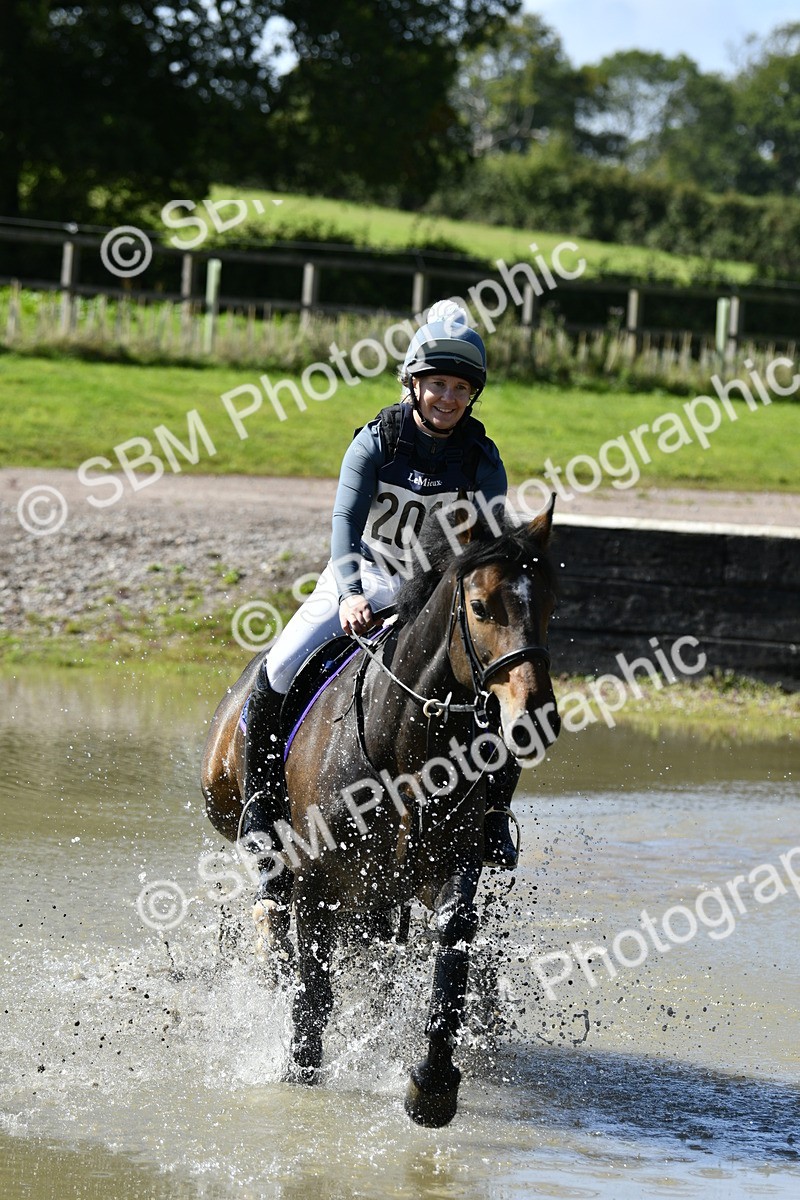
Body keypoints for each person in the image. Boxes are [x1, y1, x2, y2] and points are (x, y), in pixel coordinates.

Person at [241, 300, 522, 910]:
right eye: (437, 384)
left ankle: (493, 815)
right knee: (279, 669)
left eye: (460, 388)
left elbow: (491, 545)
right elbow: (344, 522)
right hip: (363, 573)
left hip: (436, 592)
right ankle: (261, 810)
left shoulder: (481, 457)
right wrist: (346, 596)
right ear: (414, 384)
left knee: (498, 691)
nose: (448, 397)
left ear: (472, 395)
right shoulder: (377, 442)